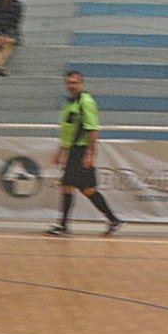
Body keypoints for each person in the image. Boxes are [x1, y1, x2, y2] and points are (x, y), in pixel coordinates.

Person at [44, 71, 124, 237]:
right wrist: (61, 151)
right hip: (73, 150)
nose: (71, 86)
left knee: (75, 187)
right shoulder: (69, 104)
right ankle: (113, 220)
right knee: (83, 188)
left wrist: (89, 154)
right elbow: (68, 131)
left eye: (74, 83)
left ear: (81, 83)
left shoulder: (85, 102)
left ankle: (65, 226)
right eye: (69, 83)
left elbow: (93, 129)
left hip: (81, 150)